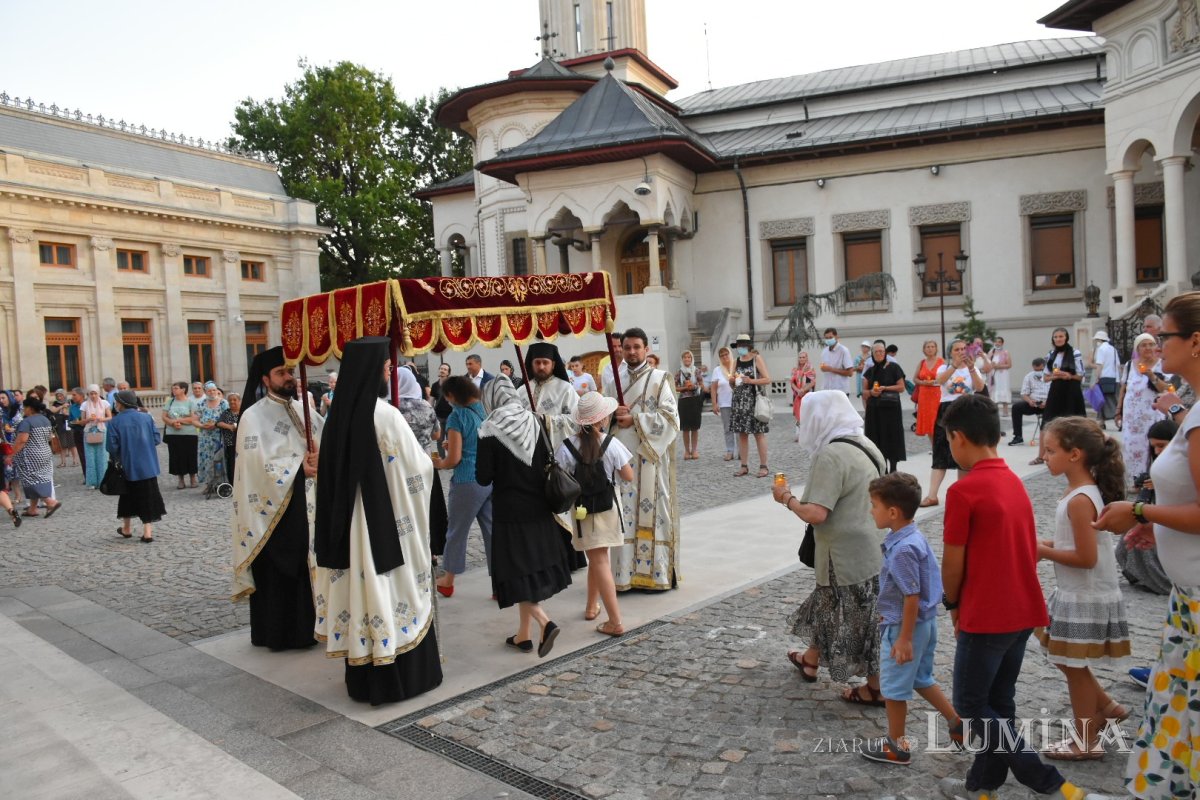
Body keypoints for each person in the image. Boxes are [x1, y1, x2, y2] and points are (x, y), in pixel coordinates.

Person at [937, 394, 1103, 800]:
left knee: (972, 704)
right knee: (999, 702)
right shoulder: (1012, 479)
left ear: (957, 438)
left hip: (987, 613)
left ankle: (1048, 782)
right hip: (1023, 609)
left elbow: (953, 563)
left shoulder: (964, 490)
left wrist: (953, 604)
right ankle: (983, 785)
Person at [1093, 292, 1200, 800]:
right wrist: (1160, 526)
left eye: (1166, 337)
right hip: (1188, 595)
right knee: (1179, 715)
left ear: (1195, 342)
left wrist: (1139, 511)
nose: (1157, 346)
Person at [312, 337, 442, 705]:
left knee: (360, 594)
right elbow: (416, 469)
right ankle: (400, 679)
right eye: (386, 368)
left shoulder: (337, 415)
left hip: (348, 528)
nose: (390, 373)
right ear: (372, 372)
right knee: (389, 591)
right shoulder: (384, 414)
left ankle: (364, 679)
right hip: (383, 527)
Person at [773, 391, 885, 705]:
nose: (802, 424)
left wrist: (785, 497)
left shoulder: (831, 455)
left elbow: (816, 513)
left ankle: (876, 688)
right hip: (871, 546)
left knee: (857, 618)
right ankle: (810, 661)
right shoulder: (866, 443)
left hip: (842, 555)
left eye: (804, 418)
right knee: (830, 607)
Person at [1033, 417, 1131, 759]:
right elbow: (1074, 541)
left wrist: (1043, 552)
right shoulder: (1077, 492)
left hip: (1084, 594)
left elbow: (1086, 557)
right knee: (1059, 653)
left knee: (1072, 667)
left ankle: (1086, 740)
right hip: (1076, 591)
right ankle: (1106, 706)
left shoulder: (1079, 499)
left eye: (1050, 450)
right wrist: (1044, 542)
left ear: (1074, 454)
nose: (1044, 456)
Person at [860, 472, 961, 766]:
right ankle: (956, 722)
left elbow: (911, 595)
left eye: (874, 505)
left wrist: (903, 639)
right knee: (920, 678)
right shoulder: (912, 536)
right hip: (925, 625)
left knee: (892, 688)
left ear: (892, 512)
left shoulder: (903, 549)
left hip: (905, 627)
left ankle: (897, 745)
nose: (871, 510)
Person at [232, 346, 324, 651]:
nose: (289, 378)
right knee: (280, 570)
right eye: (281, 373)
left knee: (306, 565)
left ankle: (310, 628)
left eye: (290, 372)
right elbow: (254, 464)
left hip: (306, 504)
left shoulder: (302, 409)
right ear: (265, 379)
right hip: (273, 512)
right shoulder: (253, 416)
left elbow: (325, 440)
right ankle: (279, 634)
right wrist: (300, 466)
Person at [477, 375, 572, 658]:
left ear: (491, 399)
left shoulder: (488, 430)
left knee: (515, 574)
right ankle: (523, 635)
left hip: (510, 513)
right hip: (539, 509)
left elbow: (483, 478)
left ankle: (545, 622)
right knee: (529, 571)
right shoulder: (535, 421)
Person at [602, 327, 680, 591]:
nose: (632, 352)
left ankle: (655, 574)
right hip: (621, 459)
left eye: (637, 346)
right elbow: (600, 417)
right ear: (621, 350)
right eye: (627, 347)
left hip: (650, 458)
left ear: (646, 349)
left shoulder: (660, 379)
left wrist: (634, 419)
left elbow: (671, 418)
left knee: (655, 512)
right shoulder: (614, 379)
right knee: (623, 514)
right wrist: (612, 416)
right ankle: (623, 576)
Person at [556, 392, 634, 635]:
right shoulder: (612, 444)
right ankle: (615, 621)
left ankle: (592, 606)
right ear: (603, 418)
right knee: (601, 560)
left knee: (597, 559)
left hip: (581, 514)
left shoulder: (567, 446)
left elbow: (559, 479)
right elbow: (628, 476)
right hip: (609, 509)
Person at [430, 376, 492, 598]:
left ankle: (448, 579)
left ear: (452, 395)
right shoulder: (482, 410)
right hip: (487, 478)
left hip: (467, 479)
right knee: (492, 531)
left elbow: (454, 459)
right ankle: (500, 581)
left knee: (456, 531)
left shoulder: (457, 416)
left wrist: (438, 463)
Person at [1115, 419, 1176, 596]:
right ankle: (1141, 575)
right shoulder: (1157, 464)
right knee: (1131, 535)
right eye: (1154, 447)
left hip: (1173, 521)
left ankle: (1161, 579)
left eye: (1161, 445)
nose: (1157, 451)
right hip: (1155, 515)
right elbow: (1143, 502)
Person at [920, 340, 984, 508]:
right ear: (951, 352)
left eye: (963, 349)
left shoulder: (973, 368)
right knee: (940, 450)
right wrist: (954, 366)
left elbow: (979, 387)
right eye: (957, 349)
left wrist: (971, 368)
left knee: (964, 454)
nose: (961, 352)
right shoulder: (944, 367)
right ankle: (932, 495)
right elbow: (939, 381)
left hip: (966, 409)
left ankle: (961, 495)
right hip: (947, 410)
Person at [395, 366, 447, 561]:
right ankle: (431, 551)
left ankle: (410, 551)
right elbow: (436, 434)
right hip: (425, 463)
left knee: (407, 509)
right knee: (428, 508)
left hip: (402, 466)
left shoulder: (394, 407)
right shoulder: (426, 406)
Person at [107, 390, 165, 542]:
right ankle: (147, 532)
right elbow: (156, 439)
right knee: (148, 496)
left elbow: (111, 447)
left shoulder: (114, 421)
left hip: (128, 465)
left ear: (122, 403)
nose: (116, 404)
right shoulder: (146, 418)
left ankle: (126, 528)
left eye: (117, 401)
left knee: (127, 497)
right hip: (148, 465)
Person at [1116, 332, 1167, 480]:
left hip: (1153, 414)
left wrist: (1152, 376)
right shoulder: (1129, 365)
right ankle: (1137, 479)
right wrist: (1118, 410)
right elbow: (1123, 389)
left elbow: (1167, 388)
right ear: (1137, 349)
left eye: (1151, 344)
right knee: (1132, 447)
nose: (1148, 348)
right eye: (1143, 345)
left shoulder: (1161, 364)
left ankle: (1154, 479)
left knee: (1152, 447)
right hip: (1132, 416)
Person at [1036, 326, 1087, 465]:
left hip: (1071, 390)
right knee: (1047, 422)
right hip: (1056, 390)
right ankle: (1041, 455)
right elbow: (1045, 377)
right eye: (1056, 337)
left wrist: (1068, 375)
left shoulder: (1075, 353)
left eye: (1061, 336)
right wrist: (1056, 376)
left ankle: (1079, 453)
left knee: (1074, 422)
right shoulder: (1051, 354)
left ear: (1066, 338)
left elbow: (1080, 375)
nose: (1058, 339)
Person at [9, 397, 63, 518]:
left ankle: (50, 502)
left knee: (31, 480)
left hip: (30, 456)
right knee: (42, 479)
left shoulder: (26, 422)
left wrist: (10, 455)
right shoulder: (45, 419)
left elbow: (22, 440)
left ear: (30, 408)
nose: (23, 410)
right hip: (45, 453)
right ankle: (32, 509)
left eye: (25, 407)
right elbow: (50, 437)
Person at [728, 333, 771, 478]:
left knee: (759, 434)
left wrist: (751, 381)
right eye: (739, 346)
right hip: (739, 401)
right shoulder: (735, 361)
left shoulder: (756, 359)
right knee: (742, 434)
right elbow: (731, 383)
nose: (741, 348)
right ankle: (744, 466)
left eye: (743, 346)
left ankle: (764, 466)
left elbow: (767, 379)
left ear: (748, 346)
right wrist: (732, 380)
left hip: (753, 400)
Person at [862, 342, 907, 473]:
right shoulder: (869, 371)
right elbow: (864, 392)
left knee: (892, 437)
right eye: (876, 352)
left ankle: (893, 469)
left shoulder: (894, 367)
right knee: (876, 438)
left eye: (882, 351)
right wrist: (871, 392)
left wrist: (885, 388)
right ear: (872, 354)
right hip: (874, 410)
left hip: (891, 410)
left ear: (885, 353)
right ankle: (882, 468)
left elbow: (901, 387)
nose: (880, 354)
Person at [161, 381, 199, 489]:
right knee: (176, 456)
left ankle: (192, 478)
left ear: (183, 389)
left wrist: (179, 420)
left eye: (176, 388)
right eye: (173, 388)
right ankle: (180, 479)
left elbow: (194, 418)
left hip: (189, 433)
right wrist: (172, 423)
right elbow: (164, 416)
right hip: (173, 433)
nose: (174, 390)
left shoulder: (191, 402)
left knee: (190, 455)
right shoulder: (170, 401)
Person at [1008, 358, 1049, 446]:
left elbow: (1056, 393)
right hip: (1033, 404)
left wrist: (1047, 402)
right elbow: (1024, 394)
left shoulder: (1051, 377)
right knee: (1016, 407)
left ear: (1045, 367)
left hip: (1048, 405)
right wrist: (1030, 401)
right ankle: (1018, 436)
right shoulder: (1028, 377)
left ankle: (1047, 438)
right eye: (1036, 370)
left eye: (1040, 370)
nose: (1038, 372)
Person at [195, 382, 228, 488]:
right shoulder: (201, 404)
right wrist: (202, 425)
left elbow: (227, 418)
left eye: (214, 390)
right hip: (205, 437)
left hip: (219, 436)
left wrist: (216, 425)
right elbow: (194, 420)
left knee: (219, 459)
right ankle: (208, 484)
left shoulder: (223, 403)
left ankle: (221, 483)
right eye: (209, 390)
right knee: (206, 460)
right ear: (205, 392)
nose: (212, 392)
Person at [80, 384, 112, 490]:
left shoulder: (104, 403)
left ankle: (103, 480)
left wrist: (101, 419)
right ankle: (92, 481)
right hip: (89, 431)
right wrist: (88, 419)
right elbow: (82, 421)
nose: (93, 396)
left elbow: (110, 417)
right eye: (91, 393)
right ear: (88, 394)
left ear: (99, 393)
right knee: (90, 457)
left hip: (101, 430)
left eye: (95, 393)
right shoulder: (84, 404)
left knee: (102, 456)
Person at [913, 340, 944, 448]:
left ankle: (942, 446)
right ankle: (934, 447)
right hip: (924, 395)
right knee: (928, 423)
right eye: (927, 347)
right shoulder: (922, 363)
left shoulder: (941, 362)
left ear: (936, 348)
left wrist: (934, 382)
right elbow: (915, 378)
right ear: (924, 349)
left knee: (938, 421)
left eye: (932, 346)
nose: (930, 349)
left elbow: (946, 378)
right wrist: (923, 382)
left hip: (937, 394)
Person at [675, 350, 703, 460]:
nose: (687, 359)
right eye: (685, 357)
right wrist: (685, 388)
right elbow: (674, 386)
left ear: (692, 359)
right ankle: (687, 450)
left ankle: (695, 450)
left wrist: (694, 387)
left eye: (689, 357)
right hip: (683, 401)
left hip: (695, 399)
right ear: (682, 359)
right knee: (685, 428)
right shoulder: (678, 372)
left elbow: (701, 384)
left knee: (695, 427)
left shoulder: (697, 371)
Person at [709, 346, 736, 461]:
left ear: (730, 354)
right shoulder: (717, 370)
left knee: (740, 429)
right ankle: (730, 450)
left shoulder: (736, 366)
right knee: (728, 428)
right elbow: (713, 388)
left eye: (726, 354)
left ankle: (741, 451)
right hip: (724, 403)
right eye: (722, 355)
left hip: (738, 402)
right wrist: (714, 403)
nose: (725, 357)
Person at [1091, 331, 1119, 427]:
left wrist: (1097, 378)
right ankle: (1102, 421)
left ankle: (1105, 420)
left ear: (1099, 340)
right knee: (1112, 400)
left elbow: (1100, 365)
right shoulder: (1113, 349)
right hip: (1114, 378)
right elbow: (1117, 364)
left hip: (1104, 377)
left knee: (1101, 400)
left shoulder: (1101, 349)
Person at [819, 328, 855, 394]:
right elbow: (823, 368)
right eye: (826, 338)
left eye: (830, 337)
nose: (828, 340)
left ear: (836, 337)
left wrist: (831, 369)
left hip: (840, 391)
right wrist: (823, 368)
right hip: (826, 389)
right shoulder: (824, 351)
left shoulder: (843, 350)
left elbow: (850, 373)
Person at [789, 352, 816, 437]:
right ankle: (799, 432)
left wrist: (803, 390)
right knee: (798, 413)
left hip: (807, 394)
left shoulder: (811, 369)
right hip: (797, 395)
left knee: (807, 413)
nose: (801, 359)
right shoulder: (794, 369)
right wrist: (798, 390)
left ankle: (808, 433)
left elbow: (813, 382)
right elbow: (792, 382)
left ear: (807, 358)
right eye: (800, 357)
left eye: (803, 357)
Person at [216, 393, 241, 484]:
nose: (232, 402)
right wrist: (229, 426)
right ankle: (232, 483)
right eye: (230, 400)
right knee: (232, 463)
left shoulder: (244, 411)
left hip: (243, 443)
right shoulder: (226, 412)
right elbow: (218, 423)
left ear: (239, 401)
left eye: (234, 400)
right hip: (230, 443)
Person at [48, 389, 74, 468]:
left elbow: (72, 412)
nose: (59, 397)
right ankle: (63, 462)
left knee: (72, 442)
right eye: (57, 396)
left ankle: (75, 461)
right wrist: (62, 406)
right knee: (62, 443)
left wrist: (67, 412)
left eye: (61, 395)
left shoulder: (70, 402)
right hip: (59, 423)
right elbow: (52, 410)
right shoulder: (55, 403)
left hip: (68, 422)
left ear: (64, 395)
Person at [430, 362, 452, 457]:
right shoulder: (435, 385)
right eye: (441, 368)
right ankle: (442, 459)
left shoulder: (452, 385)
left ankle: (451, 458)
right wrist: (430, 414)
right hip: (438, 416)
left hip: (451, 415)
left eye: (445, 369)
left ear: (448, 373)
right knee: (440, 439)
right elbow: (431, 401)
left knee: (451, 439)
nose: (442, 370)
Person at [989, 336, 1013, 415]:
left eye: (999, 342)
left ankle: (1005, 411)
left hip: (1003, 375)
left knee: (1004, 389)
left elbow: (1009, 365)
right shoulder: (991, 352)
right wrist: (991, 365)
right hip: (993, 375)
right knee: (994, 390)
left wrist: (998, 366)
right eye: (996, 342)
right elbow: (987, 363)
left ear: (1002, 343)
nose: (997, 343)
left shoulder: (1006, 352)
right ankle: (994, 411)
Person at [67, 387, 87, 481]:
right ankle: (86, 475)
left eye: (74, 395)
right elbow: (70, 421)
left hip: (88, 431)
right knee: (82, 454)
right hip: (78, 432)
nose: (73, 397)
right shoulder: (72, 407)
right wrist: (73, 423)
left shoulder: (88, 405)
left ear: (81, 395)